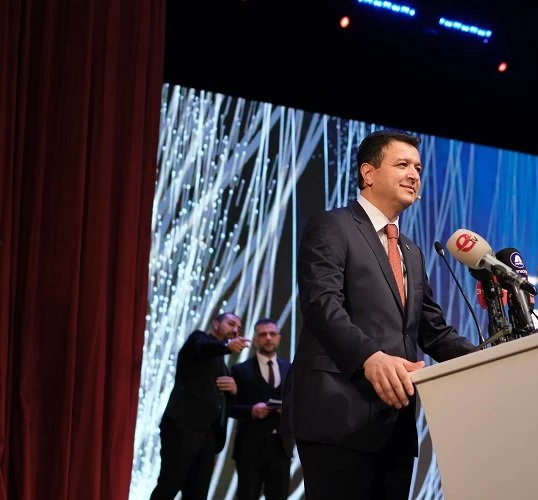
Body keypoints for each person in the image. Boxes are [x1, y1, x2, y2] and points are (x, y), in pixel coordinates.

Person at [281, 129, 476, 499]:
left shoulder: (411, 252)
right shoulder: (333, 225)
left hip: (396, 425)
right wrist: (369, 357)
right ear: (368, 173)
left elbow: (433, 331)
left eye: (418, 168)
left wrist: (492, 359)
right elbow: (321, 303)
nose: (414, 174)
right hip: (338, 414)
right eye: (402, 165)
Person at [150, 312, 250, 500]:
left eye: (239, 327)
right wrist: (226, 346)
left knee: (197, 494)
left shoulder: (223, 366)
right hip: (183, 428)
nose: (236, 330)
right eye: (231, 324)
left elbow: (222, 405)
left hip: (207, 436)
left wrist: (234, 391)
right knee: (169, 486)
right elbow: (204, 348)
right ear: (215, 324)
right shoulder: (198, 340)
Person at [229, 318, 292, 500]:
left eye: (272, 334)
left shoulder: (290, 369)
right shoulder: (240, 370)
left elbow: (299, 404)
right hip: (250, 450)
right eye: (263, 334)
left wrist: (288, 411)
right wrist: (251, 411)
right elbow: (229, 408)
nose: (268, 338)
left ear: (279, 338)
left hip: (281, 449)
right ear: (255, 339)